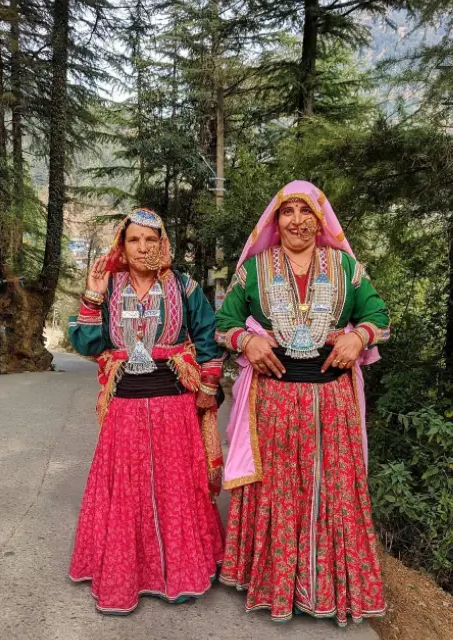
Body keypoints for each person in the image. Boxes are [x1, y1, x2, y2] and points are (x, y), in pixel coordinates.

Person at [215, 181, 390, 627]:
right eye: (287, 212)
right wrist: (247, 341)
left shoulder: (346, 266)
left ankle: (327, 589)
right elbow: (223, 322)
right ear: (276, 221)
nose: (296, 221)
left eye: (305, 211)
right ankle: (276, 587)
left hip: (332, 401)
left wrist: (358, 336)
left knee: (332, 488)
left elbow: (378, 316)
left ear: (320, 219)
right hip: (273, 400)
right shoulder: (254, 270)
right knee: (277, 490)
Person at [68, 208, 225, 614]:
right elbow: (87, 344)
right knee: (126, 492)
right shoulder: (109, 286)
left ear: (162, 243)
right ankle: (128, 576)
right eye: (134, 240)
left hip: (175, 406)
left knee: (177, 490)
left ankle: (181, 574)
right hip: (124, 407)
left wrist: (208, 387)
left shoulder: (185, 287)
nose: (142, 248)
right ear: (122, 245)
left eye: (150, 239)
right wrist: (92, 295)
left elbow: (208, 337)